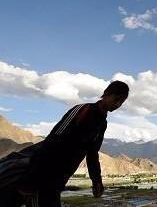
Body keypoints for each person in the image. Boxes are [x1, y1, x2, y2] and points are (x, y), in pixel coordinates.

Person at [0, 80, 129, 207]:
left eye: (121, 102)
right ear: (106, 93)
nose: (117, 104)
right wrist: (30, 183)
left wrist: (96, 181)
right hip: (41, 177)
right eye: (116, 99)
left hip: (57, 181)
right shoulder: (82, 110)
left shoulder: (102, 123)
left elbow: (92, 154)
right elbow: (52, 142)